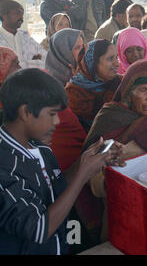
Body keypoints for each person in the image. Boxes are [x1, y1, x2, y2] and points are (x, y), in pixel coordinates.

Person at [0, 68, 124, 254]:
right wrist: (82, 175)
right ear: (26, 112)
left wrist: (85, 162)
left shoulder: (39, 147)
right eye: (52, 114)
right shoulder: (5, 165)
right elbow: (38, 230)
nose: (58, 121)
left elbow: (55, 187)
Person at [85, 60, 147, 241]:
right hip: (122, 212)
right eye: (143, 90)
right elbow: (92, 179)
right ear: (129, 92)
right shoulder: (110, 117)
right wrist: (111, 165)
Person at [65, 39, 122, 133]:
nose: (117, 63)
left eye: (117, 57)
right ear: (93, 62)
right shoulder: (73, 94)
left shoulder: (121, 84)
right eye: (110, 58)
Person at [0, 0, 47, 69]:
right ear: (4, 15)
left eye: (22, 13)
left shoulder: (24, 36)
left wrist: (26, 63)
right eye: (17, 13)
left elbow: (45, 56)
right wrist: (32, 62)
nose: (21, 17)